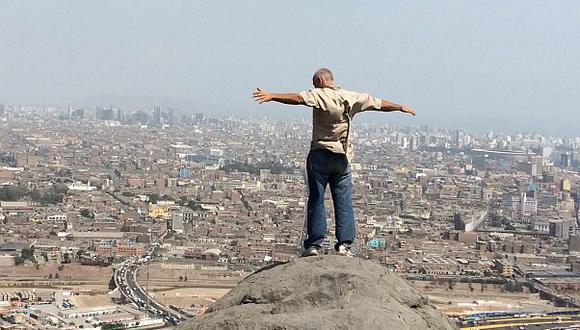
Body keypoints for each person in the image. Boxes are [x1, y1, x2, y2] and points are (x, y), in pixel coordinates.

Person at [252, 68, 416, 257]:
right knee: (343, 201)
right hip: (342, 157)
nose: (313, 86)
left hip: (320, 155)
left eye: (314, 83)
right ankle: (344, 245)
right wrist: (400, 107)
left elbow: (298, 99)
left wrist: (272, 96)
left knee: (317, 199)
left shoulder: (319, 95)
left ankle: (314, 245)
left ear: (321, 81)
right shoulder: (352, 96)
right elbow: (379, 104)